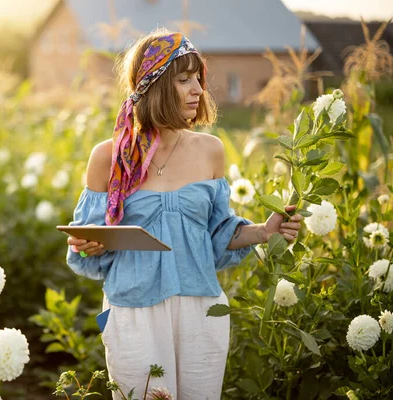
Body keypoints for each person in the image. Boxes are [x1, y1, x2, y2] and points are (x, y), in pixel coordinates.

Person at [65, 28, 303, 399]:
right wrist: (88, 243)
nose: (198, 90)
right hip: (134, 309)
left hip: (200, 307)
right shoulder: (109, 156)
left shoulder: (211, 151)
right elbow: (85, 242)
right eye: (183, 79)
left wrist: (263, 231)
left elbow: (217, 233)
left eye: (198, 79)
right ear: (155, 84)